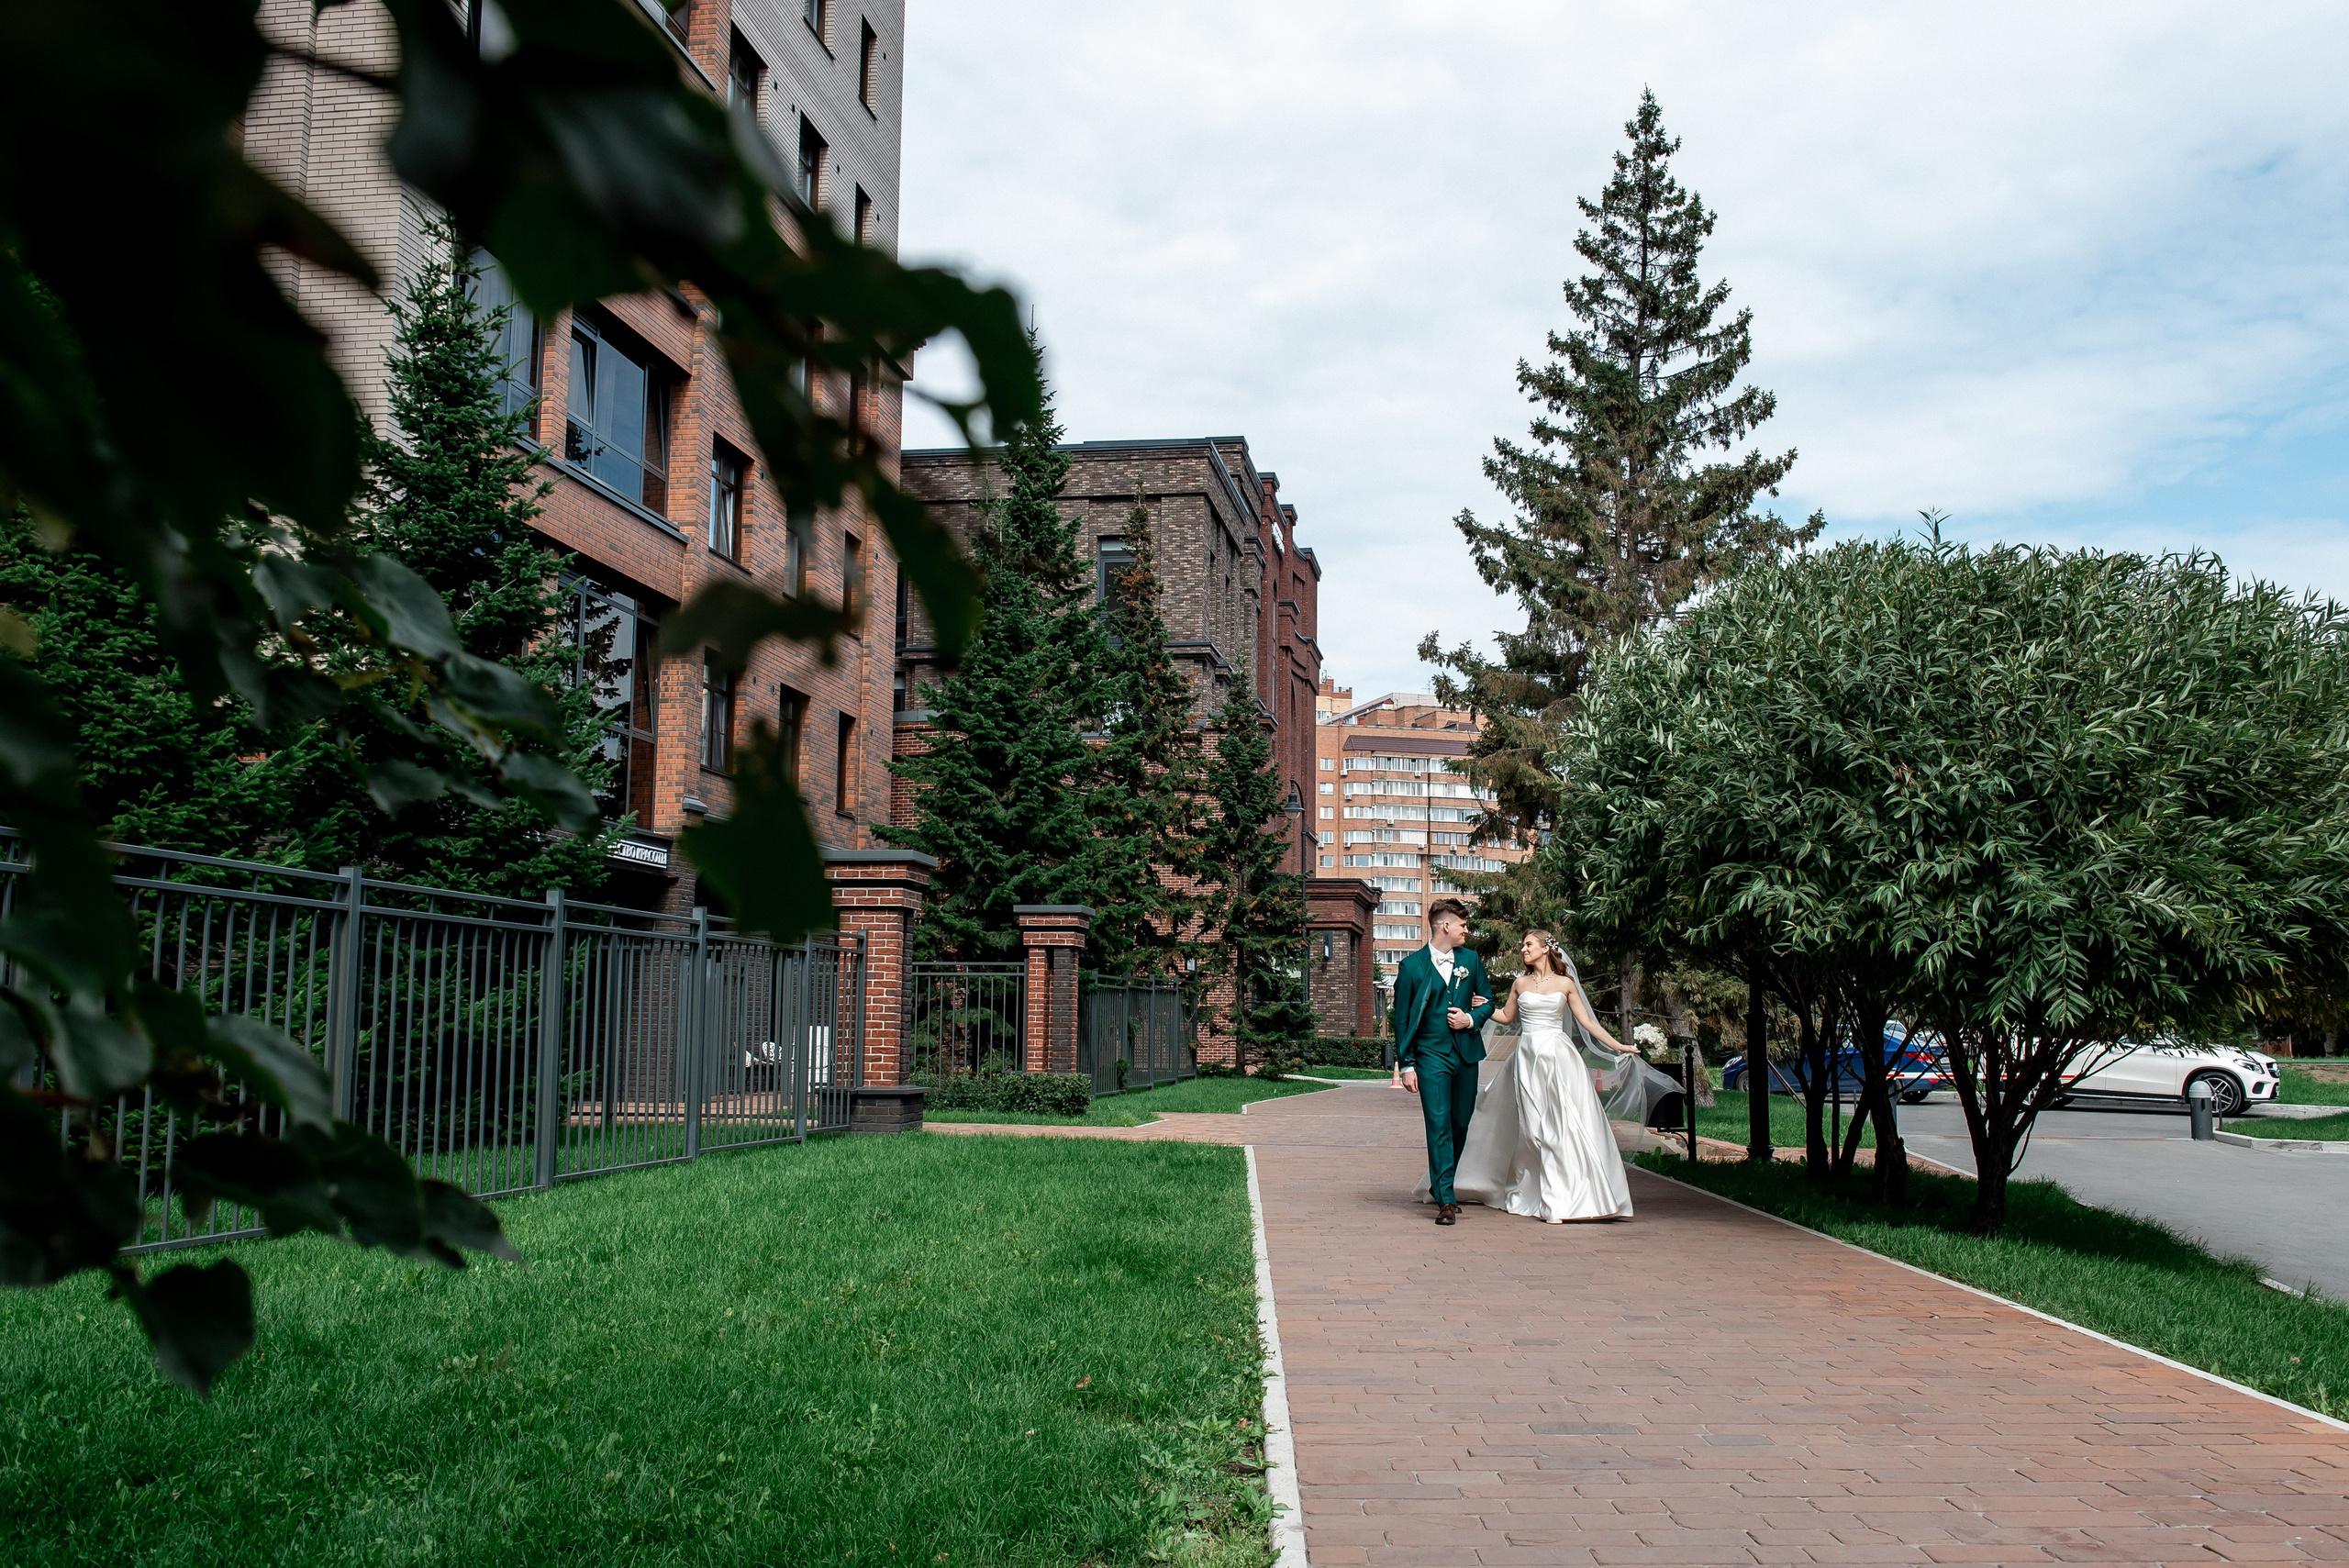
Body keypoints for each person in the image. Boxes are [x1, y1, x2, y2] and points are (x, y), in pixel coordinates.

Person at [1417, 929, 1640, 1223]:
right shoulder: (1520, 983)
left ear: (1545, 949)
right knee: (1532, 1130)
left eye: (1529, 944)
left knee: (1561, 1126)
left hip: (1558, 1059)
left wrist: (1618, 1045)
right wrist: (1485, 1007)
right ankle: (1532, 1189)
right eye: (1522, 945)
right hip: (1526, 1059)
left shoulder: (1565, 984)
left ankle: (1559, 1201)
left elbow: (1588, 1023)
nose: (1523, 949)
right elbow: (1506, 1017)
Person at [1393, 899, 1497, 1225]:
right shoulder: (1411, 967)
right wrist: (1406, 1065)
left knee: (1460, 1123)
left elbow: (1488, 1001)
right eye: (1463, 925)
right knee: (1438, 1123)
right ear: (1446, 926)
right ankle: (1446, 1200)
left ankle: (1441, 1184)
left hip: (1466, 1054)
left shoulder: (1471, 960)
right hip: (1431, 1055)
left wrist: (1471, 1018)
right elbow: (1402, 1021)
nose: (1467, 930)